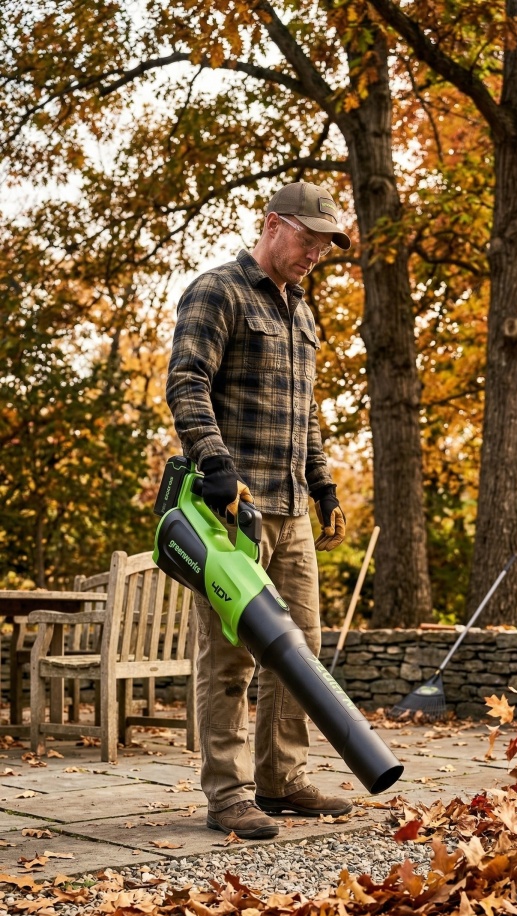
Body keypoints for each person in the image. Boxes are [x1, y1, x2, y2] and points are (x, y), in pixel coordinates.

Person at [166, 181, 353, 839]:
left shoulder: (302, 313)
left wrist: (324, 487)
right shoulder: (217, 291)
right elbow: (187, 380)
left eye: (326, 246)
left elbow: (307, 415)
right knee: (231, 656)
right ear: (273, 224)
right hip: (231, 513)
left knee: (303, 650)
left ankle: (282, 779)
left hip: (292, 509)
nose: (316, 254)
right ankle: (228, 793)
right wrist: (214, 463)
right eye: (309, 239)